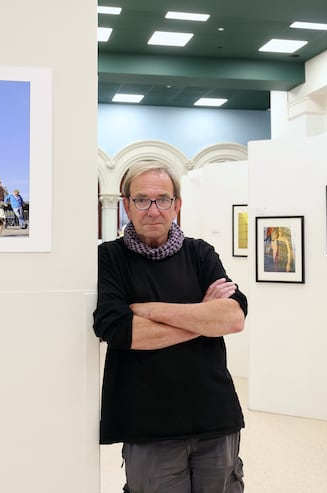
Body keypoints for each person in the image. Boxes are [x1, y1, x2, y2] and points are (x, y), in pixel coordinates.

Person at [93, 160, 247, 493]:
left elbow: (233, 317)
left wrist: (150, 311)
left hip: (215, 417)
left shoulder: (200, 253)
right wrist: (203, 316)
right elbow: (118, 329)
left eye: (163, 199)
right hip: (148, 423)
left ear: (176, 205)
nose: (153, 210)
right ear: (126, 205)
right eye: (142, 199)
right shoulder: (110, 258)